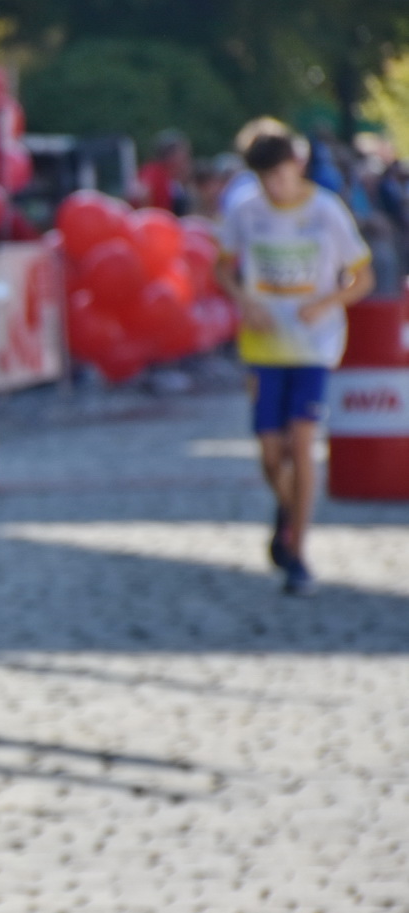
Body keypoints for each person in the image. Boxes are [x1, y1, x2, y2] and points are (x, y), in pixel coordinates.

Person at [216, 129, 375, 596]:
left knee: (302, 442)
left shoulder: (326, 212)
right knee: (270, 452)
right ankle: (288, 508)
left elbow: (361, 277)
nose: (276, 188)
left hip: (314, 345)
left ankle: (299, 553)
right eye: (267, 180)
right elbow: (222, 266)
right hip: (263, 346)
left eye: (282, 177)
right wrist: (246, 299)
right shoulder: (247, 213)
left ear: (297, 169)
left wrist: (327, 303)